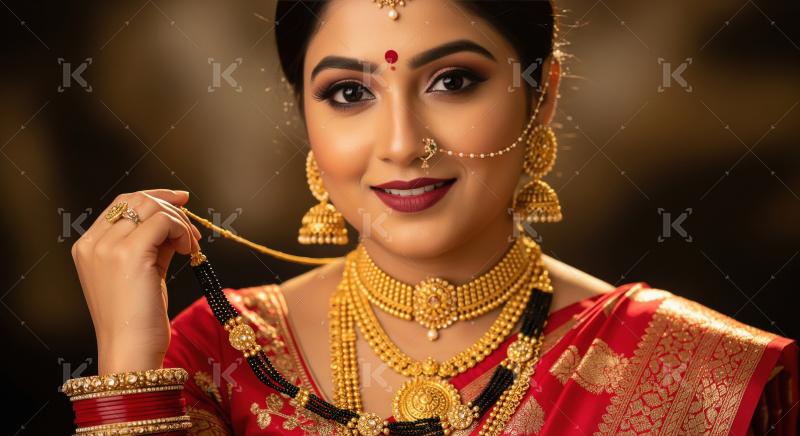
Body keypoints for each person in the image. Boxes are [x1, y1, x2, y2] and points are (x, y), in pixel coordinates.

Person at [63, 0, 798, 434]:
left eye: (453, 81)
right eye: (349, 92)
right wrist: (127, 362)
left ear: (543, 95)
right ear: (303, 113)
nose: (402, 142)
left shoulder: (703, 376)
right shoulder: (207, 357)